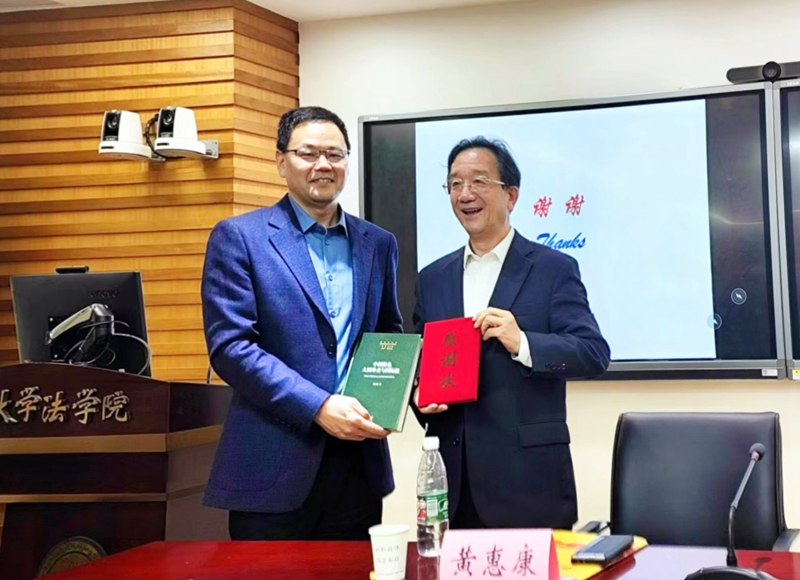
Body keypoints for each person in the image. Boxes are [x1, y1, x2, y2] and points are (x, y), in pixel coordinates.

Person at [201, 106, 403, 540]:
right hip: (272, 464)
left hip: (358, 465)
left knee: (354, 572)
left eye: (335, 154)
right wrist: (318, 406)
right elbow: (231, 348)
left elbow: (387, 333)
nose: (323, 165)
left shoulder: (378, 243)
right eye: (308, 153)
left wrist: (394, 394)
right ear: (281, 162)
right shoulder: (240, 237)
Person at [413, 137, 610, 530]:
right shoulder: (431, 278)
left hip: (529, 483)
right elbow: (424, 366)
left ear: (511, 195)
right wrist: (420, 395)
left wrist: (523, 343)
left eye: (479, 181)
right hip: (454, 486)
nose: (465, 194)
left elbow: (592, 353)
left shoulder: (553, 269)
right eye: (455, 184)